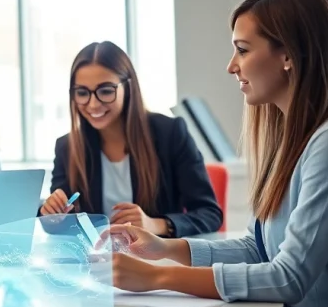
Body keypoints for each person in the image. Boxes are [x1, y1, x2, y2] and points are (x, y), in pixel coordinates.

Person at [108, 0, 328, 307]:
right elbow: (257, 246)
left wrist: (158, 276)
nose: (232, 66)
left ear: (288, 55)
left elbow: (289, 276)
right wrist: (164, 249)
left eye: (243, 49)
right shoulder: (294, 139)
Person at [39, 41, 222, 238]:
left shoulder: (170, 133)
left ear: (129, 87)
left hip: (157, 262)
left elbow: (209, 214)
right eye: (82, 93)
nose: (93, 104)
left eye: (106, 91)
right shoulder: (68, 147)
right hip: (97, 262)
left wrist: (156, 225)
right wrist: (51, 215)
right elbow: (59, 225)